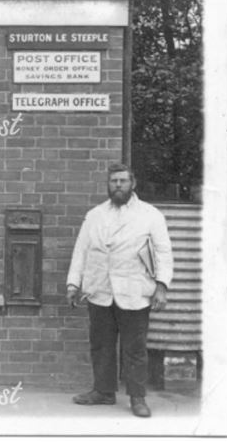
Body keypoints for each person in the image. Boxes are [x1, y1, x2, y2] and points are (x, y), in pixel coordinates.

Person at [66, 163, 173, 418]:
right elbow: (81, 250)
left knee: (134, 348)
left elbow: (163, 252)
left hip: (134, 291)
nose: (118, 185)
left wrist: (162, 286)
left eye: (123, 181)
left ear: (132, 184)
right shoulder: (95, 215)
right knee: (101, 345)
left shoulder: (150, 215)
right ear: (108, 184)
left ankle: (137, 397)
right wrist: (73, 284)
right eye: (114, 181)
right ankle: (103, 392)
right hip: (100, 290)